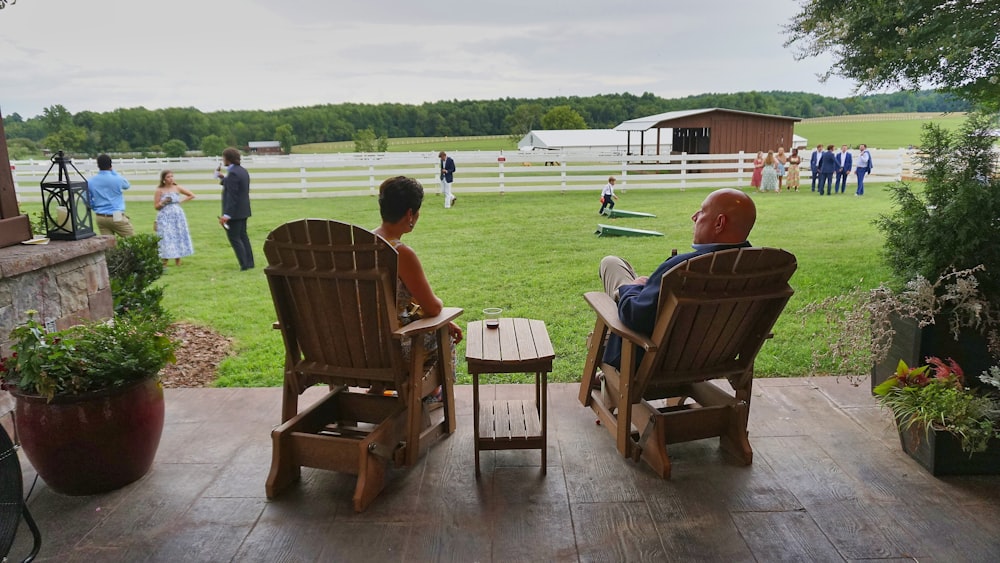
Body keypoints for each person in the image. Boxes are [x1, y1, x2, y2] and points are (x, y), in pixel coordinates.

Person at [598, 188, 756, 369]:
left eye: (702, 211)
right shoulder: (759, 269)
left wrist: (632, 288)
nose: (694, 216)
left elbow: (635, 317)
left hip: (652, 362)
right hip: (711, 359)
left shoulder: (684, 267)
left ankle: (608, 375)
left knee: (610, 264)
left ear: (719, 223)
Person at [373, 176, 463, 395]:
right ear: (410, 214)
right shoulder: (399, 253)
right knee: (445, 336)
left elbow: (390, 300)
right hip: (392, 352)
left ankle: (377, 389)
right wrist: (441, 316)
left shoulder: (358, 244)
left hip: (355, 349)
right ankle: (429, 394)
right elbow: (433, 308)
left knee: (439, 326)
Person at [216, 147, 254, 271]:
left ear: (228, 159)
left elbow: (232, 195)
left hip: (235, 212)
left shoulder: (232, 173)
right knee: (243, 236)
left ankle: (244, 264)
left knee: (235, 238)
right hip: (244, 209)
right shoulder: (242, 171)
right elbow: (234, 185)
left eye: (224, 158)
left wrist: (227, 215)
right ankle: (249, 262)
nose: (223, 160)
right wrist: (221, 177)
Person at [153, 170, 195, 266]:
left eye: (172, 176)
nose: (171, 178)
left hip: (177, 214)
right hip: (164, 215)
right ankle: (164, 261)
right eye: (168, 177)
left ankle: (178, 260)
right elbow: (156, 206)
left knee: (177, 234)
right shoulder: (159, 190)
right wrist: (163, 202)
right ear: (163, 179)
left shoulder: (177, 188)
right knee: (166, 236)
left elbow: (191, 195)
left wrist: (180, 202)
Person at [88, 154, 135, 236]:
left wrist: (95, 207)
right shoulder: (117, 179)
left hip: (100, 216)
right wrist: (113, 171)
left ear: (98, 165)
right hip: (116, 214)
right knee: (132, 240)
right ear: (110, 165)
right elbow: (127, 185)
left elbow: (87, 199)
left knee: (108, 244)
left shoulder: (91, 181)